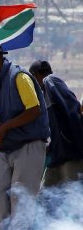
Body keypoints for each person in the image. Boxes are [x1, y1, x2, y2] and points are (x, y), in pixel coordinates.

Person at [0, 41, 50, 230]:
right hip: (6, 148)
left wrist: (5, 126)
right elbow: (5, 112)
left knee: (20, 199)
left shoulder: (20, 77)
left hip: (28, 146)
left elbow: (34, 110)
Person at [28, 60, 83, 188]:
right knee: (46, 198)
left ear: (36, 75)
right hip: (57, 157)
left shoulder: (50, 81)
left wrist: (76, 143)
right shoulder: (44, 95)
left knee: (74, 195)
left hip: (71, 154)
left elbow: (72, 112)